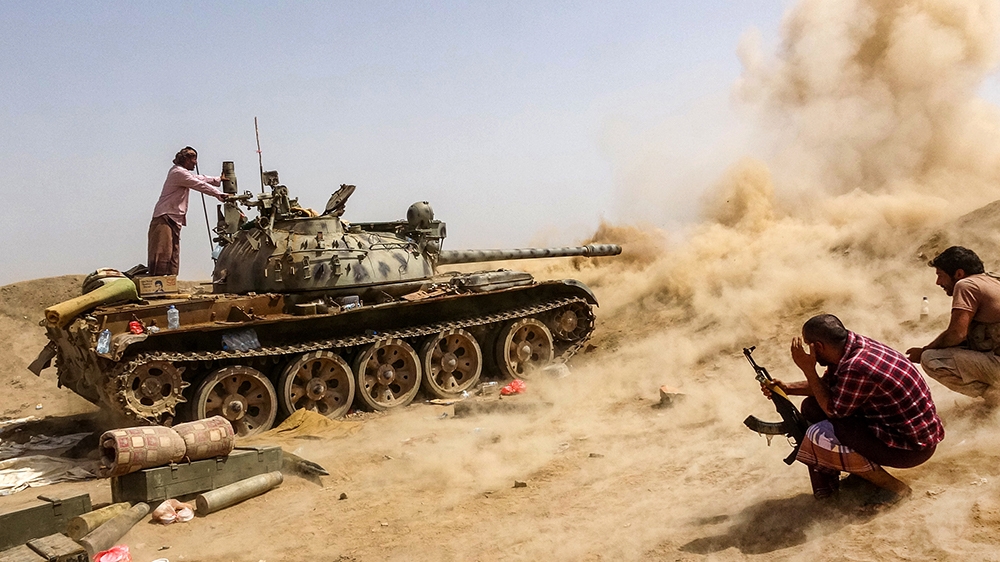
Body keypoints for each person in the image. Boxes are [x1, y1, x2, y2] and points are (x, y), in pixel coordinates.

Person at [764, 314, 943, 511]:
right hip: (907, 433)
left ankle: (896, 489)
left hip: (911, 449)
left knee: (822, 434)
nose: (809, 352)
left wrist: (809, 370)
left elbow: (833, 410)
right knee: (811, 408)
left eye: (809, 346)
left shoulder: (856, 367)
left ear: (818, 346)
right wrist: (786, 388)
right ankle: (864, 475)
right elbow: (829, 386)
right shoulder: (853, 345)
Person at [906, 246, 1000, 406]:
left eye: (940, 275)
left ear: (958, 274)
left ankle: (994, 398)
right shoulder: (993, 281)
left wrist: (923, 351)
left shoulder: (966, 285)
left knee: (931, 359)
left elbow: (956, 334)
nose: (938, 282)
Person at [147, 146, 228, 276]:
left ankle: (170, 283)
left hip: (174, 218)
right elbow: (198, 184)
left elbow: (200, 179)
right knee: (162, 252)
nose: (196, 162)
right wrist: (219, 194)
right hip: (164, 216)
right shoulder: (178, 173)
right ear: (185, 159)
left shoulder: (182, 173)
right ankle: (158, 286)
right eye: (193, 158)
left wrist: (217, 179)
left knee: (173, 253)